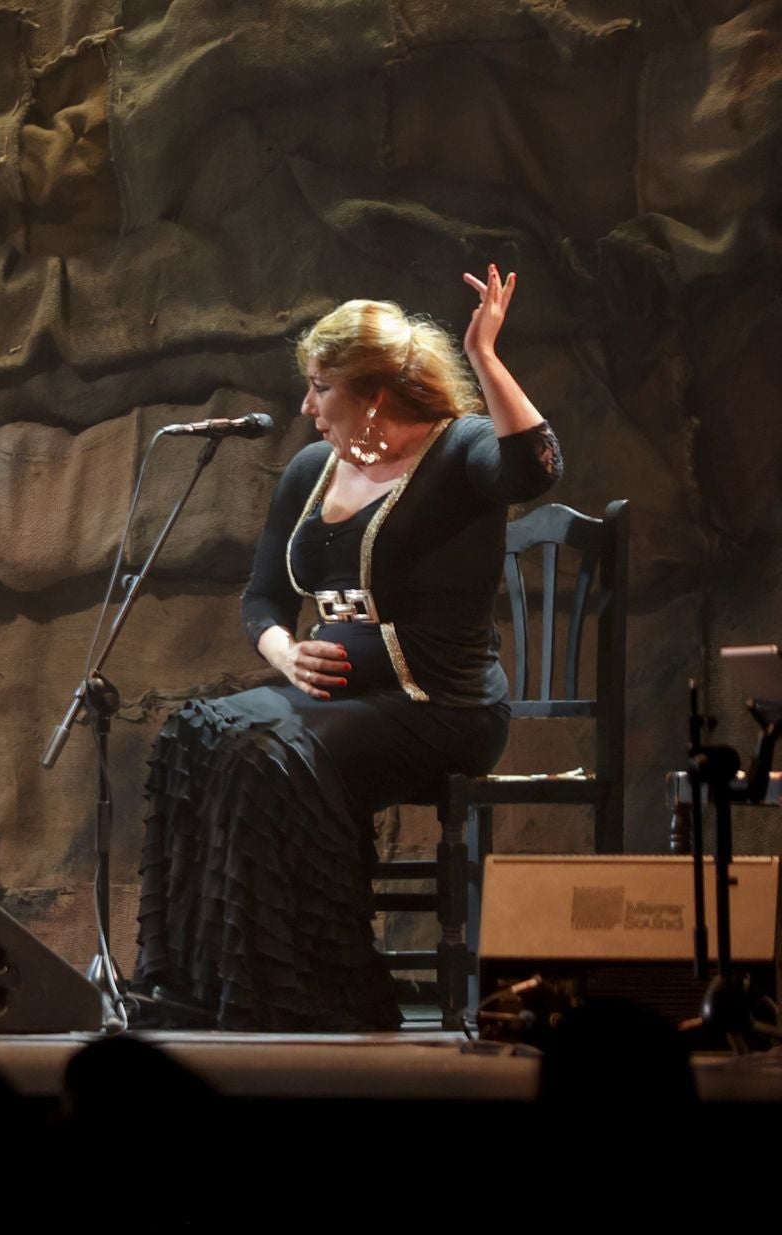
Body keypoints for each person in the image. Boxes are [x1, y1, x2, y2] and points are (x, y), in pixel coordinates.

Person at [133, 267, 564, 1031]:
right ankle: (206, 984)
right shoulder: (310, 471)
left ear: (372, 393)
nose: (307, 405)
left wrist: (486, 356)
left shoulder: (459, 450)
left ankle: (310, 995)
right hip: (330, 700)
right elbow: (263, 598)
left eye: (320, 386)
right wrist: (285, 654)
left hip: (439, 705)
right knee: (193, 736)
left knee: (265, 760)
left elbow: (536, 467)